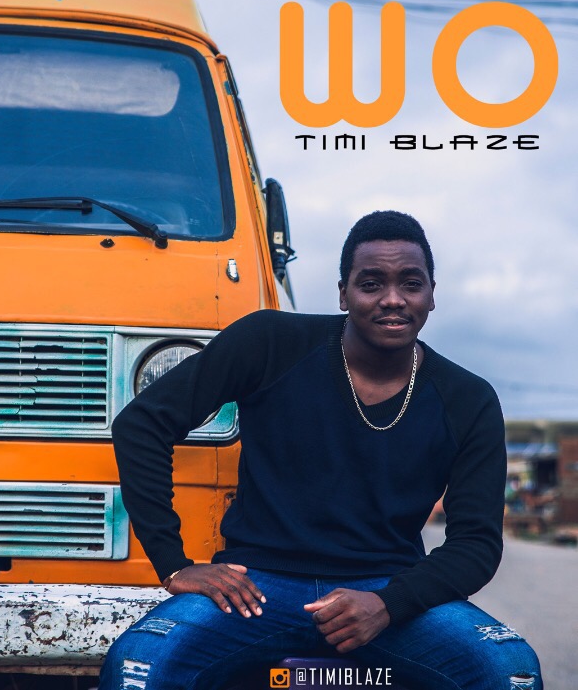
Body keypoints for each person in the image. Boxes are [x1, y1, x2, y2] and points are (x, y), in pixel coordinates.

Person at [99, 211, 542, 690]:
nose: (393, 299)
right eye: (371, 284)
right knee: (139, 664)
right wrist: (174, 564)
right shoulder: (270, 343)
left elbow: (476, 543)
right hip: (256, 589)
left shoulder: (468, 399)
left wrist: (389, 603)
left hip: (388, 592)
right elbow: (142, 424)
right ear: (343, 293)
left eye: (410, 284)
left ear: (431, 294)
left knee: (508, 669)